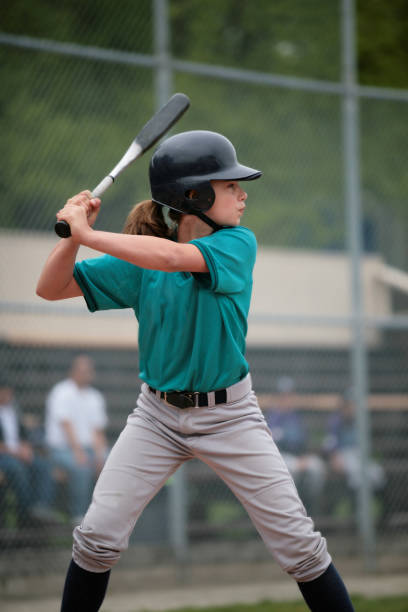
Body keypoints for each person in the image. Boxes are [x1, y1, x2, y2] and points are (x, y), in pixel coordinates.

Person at [36, 130, 355, 612]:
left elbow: (171, 257)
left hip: (231, 415)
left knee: (300, 548)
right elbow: (50, 288)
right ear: (193, 196)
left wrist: (87, 233)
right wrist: (71, 236)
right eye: (230, 186)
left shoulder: (236, 245)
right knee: (96, 538)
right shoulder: (138, 260)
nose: (242, 193)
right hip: (156, 417)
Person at [45, 355, 108, 525]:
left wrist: (100, 455)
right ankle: (79, 517)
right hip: (61, 450)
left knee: (113, 464)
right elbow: (66, 426)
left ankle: (106, 516)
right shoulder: (61, 392)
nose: (86, 374)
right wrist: (78, 452)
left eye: (88, 371)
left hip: (87, 449)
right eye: (82, 371)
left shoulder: (95, 397)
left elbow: (98, 431)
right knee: (82, 468)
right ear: (72, 371)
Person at [264, 376, 326, 517]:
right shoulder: (272, 418)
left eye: (290, 395)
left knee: (317, 467)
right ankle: (289, 512)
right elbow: (272, 446)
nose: (287, 399)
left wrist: (303, 457)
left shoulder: (296, 417)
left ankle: (310, 506)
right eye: (283, 396)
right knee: (291, 471)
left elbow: (304, 441)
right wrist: (297, 461)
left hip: (299, 457)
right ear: (277, 398)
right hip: (281, 458)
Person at [0, 377, 55, 526]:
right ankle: (27, 510)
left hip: (17, 452)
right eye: (4, 392)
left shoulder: (13, 408)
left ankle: (41, 507)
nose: (8, 396)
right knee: (17, 469)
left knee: (42, 465)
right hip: (4, 455)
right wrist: (16, 452)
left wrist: (26, 447)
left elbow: (22, 434)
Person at [323, 389, 386, 509]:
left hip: (359, 456)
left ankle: (380, 518)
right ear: (343, 406)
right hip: (343, 455)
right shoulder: (335, 421)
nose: (351, 408)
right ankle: (358, 513)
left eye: (353, 404)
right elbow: (329, 444)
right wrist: (333, 456)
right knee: (357, 475)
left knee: (378, 473)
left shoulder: (360, 421)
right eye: (348, 405)